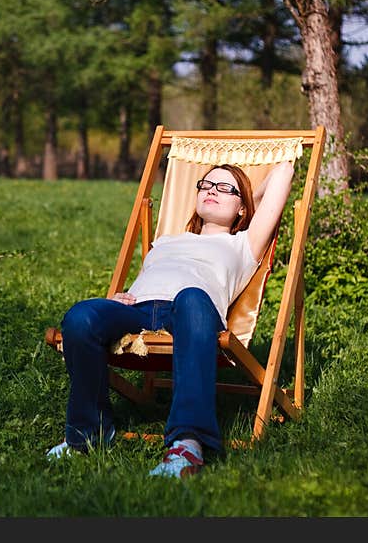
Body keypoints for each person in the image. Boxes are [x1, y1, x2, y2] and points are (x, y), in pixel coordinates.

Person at [46, 160, 295, 478]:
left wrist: (247, 200)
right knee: (80, 316)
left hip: (191, 313)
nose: (211, 191)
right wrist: (118, 298)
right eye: (205, 185)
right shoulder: (164, 241)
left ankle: (187, 444)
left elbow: (284, 171)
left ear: (243, 209)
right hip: (135, 309)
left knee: (191, 295)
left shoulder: (244, 244)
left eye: (223, 188)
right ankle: (86, 436)